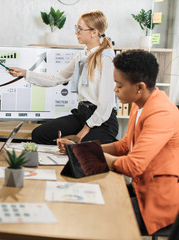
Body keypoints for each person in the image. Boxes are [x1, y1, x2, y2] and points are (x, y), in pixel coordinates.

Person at [59, 49, 179, 236]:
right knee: (90, 202)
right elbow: (124, 146)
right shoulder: (140, 105)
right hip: (141, 188)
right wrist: (79, 149)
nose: (114, 90)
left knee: (96, 220)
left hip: (159, 201)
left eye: (119, 85)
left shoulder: (161, 113)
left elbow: (133, 166)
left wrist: (89, 154)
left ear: (139, 87)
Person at [9, 10, 118, 144]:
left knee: (81, 151)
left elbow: (106, 104)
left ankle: (71, 155)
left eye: (80, 29)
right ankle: (64, 156)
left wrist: (87, 127)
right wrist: (26, 73)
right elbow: (57, 78)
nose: (76, 32)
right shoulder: (82, 56)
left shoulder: (107, 58)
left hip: (103, 120)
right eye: (76, 28)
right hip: (82, 114)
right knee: (39, 134)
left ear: (94, 32)